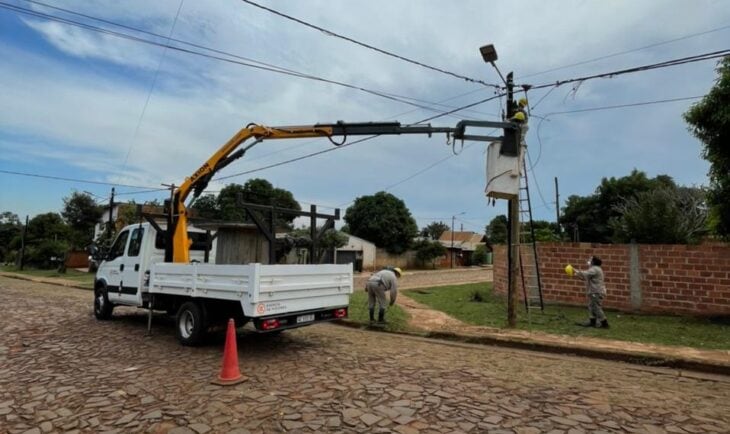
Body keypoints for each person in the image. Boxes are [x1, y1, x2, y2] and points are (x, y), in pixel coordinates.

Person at [571, 256, 609, 328]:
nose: (589, 261)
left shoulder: (595, 269)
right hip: (593, 291)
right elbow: (585, 277)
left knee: (596, 307)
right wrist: (575, 274)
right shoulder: (594, 269)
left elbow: (585, 274)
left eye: (590, 260)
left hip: (596, 291)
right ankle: (592, 321)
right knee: (591, 306)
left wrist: (574, 270)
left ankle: (604, 323)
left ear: (593, 262)